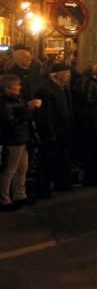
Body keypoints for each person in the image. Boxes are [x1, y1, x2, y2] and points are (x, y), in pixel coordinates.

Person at [34, 63, 75, 196]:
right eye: (66, 73)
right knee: (48, 159)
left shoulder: (63, 88)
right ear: (57, 74)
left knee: (63, 157)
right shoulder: (46, 89)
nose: (69, 76)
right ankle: (43, 187)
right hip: (53, 130)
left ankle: (62, 182)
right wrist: (50, 131)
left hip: (64, 129)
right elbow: (46, 113)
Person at [1, 74, 40, 211]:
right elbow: (11, 122)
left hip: (23, 137)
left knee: (22, 169)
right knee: (10, 170)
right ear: (8, 88)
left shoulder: (18, 99)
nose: (20, 87)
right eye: (17, 85)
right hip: (13, 139)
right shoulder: (5, 102)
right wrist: (28, 108)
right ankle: (4, 199)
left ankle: (20, 195)